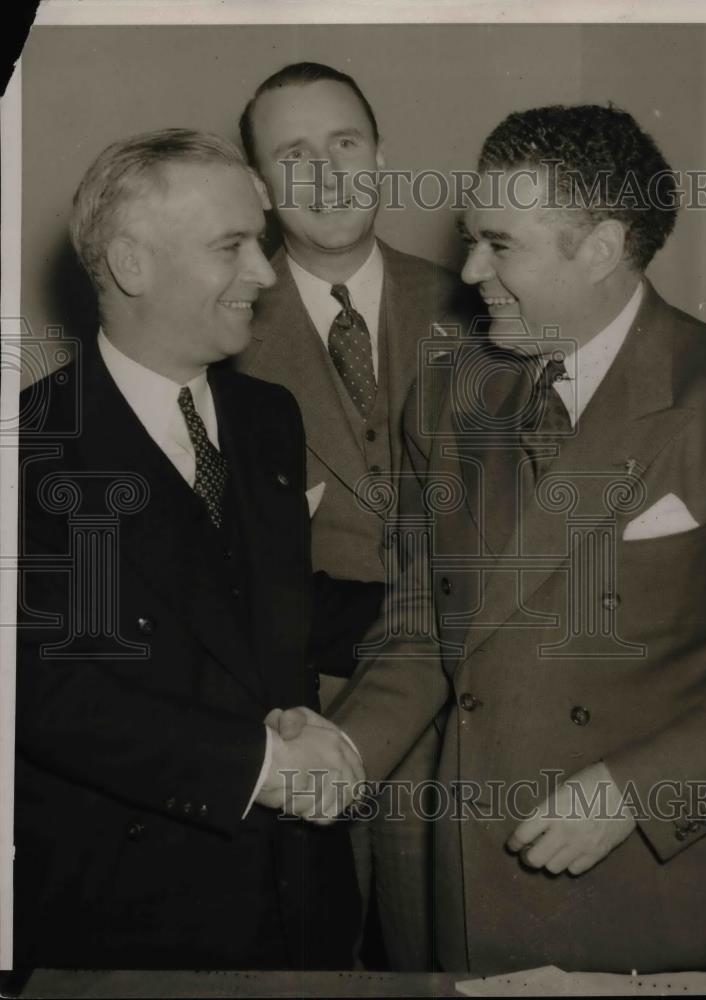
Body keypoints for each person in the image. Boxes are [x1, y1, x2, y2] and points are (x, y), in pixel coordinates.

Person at [323, 104, 706, 973]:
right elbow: (417, 629)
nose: (470, 268)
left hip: (651, 889)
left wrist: (639, 787)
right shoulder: (447, 395)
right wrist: (339, 752)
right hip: (469, 882)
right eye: (468, 237)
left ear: (599, 246)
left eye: (500, 243)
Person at [14, 128, 363, 970]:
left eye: (261, 241)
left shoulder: (264, 416)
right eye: (232, 247)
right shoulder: (34, 448)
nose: (266, 272)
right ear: (133, 264)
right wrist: (264, 765)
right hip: (135, 914)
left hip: (296, 893)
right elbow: (49, 689)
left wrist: (458, 613)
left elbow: (264, 606)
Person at [235, 62, 478, 970]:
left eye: (345, 145)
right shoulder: (223, 333)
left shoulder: (482, 307)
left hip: (468, 721)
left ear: (381, 156)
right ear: (258, 185)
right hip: (300, 725)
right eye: (295, 155)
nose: (329, 174)